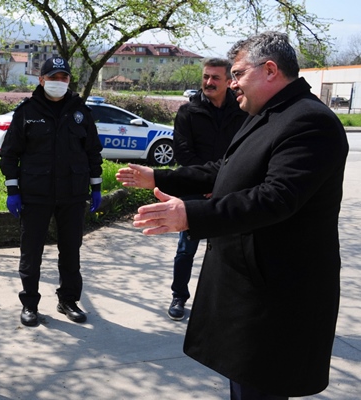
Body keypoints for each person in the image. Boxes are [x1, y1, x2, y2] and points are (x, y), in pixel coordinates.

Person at [116, 31, 348, 399]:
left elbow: (276, 198)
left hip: (275, 296)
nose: (233, 83)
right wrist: (159, 176)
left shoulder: (309, 121)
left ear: (270, 70)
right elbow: (225, 168)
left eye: (238, 73)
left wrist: (191, 215)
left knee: (260, 388)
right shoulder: (268, 114)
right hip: (250, 288)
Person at [0, 56, 103, 327]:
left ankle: (68, 300)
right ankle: (30, 305)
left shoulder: (81, 112)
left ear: (69, 81)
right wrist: (13, 190)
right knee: (31, 253)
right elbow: (9, 155)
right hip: (35, 195)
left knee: (71, 252)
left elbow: (93, 152)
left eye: (64, 78)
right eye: (53, 77)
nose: (59, 82)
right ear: (41, 80)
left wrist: (96, 188)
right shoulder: (27, 112)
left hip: (73, 195)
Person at [166, 58, 247, 321]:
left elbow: (245, 152)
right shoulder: (188, 113)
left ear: (228, 82)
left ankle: (225, 302)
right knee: (186, 250)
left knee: (228, 250)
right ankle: (179, 296)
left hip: (229, 192)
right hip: (194, 192)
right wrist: (204, 184)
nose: (209, 82)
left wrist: (224, 184)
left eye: (215, 78)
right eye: (206, 77)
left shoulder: (243, 112)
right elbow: (183, 153)